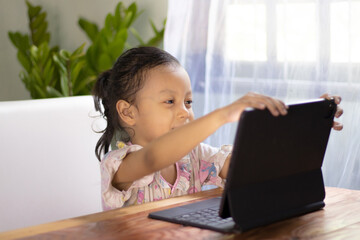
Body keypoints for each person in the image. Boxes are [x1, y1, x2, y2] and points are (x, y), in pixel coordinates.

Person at [93, 47, 343, 210]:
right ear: (128, 112)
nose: (184, 111)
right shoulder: (119, 166)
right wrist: (222, 115)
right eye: (170, 101)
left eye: (188, 102)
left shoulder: (197, 156)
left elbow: (254, 167)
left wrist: (304, 128)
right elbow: (152, 157)